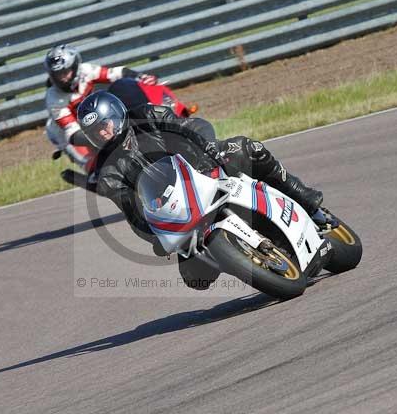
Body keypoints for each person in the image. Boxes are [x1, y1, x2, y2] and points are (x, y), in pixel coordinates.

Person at [75, 90, 324, 286]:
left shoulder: (148, 114)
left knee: (249, 149)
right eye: (96, 132)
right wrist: (155, 236)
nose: (105, 133)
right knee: (195, 277)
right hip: (180, 211)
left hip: (205, 167)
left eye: (105, 124)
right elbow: (133, 214)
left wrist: (210, 147)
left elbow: (191, 127)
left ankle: (306, 200)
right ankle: (243, 258)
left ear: (117, 114)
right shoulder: (109, 173)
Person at [43, 44, 158, 170]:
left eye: (65, 72)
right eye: (58, 74)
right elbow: (72, 133)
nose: (63, 78)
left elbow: (115, 73)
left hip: (92, 120)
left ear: (75, 66)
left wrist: (140, 77)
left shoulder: (85, 71)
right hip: (66, 134)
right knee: (96, 167)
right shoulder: (53, 98)